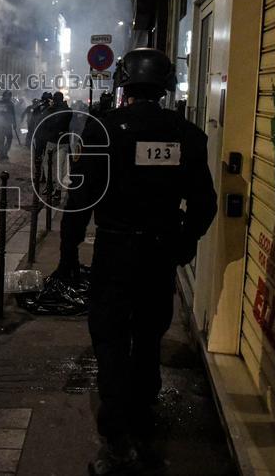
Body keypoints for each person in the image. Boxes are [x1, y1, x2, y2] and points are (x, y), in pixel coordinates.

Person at [59, 49, 216, 474]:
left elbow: (81, 197)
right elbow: (205, 204)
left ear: (123, 83)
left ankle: (115, 437)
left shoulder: (104, 131)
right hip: (161, 252)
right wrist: (183, 246)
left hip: (114, 250)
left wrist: (69, 249)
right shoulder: (188, 134)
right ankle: (144, 415)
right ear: (166, 86)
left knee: (109, 338)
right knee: (148, 335)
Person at [0, 90, 18, 161]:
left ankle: (4, 152)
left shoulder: (10, 103)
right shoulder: (4, 103)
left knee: (8, 138)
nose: (9, 97)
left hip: (7, 124)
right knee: (3, 139)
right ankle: (2, 154)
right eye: (8, 95)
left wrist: (14, 123)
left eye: (9, 95)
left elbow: (13, 114)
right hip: (3, 124)